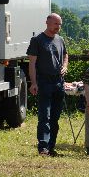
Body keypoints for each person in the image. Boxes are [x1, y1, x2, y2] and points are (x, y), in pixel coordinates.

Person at [27, 13, 69, 156]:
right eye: (56, 23)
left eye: (60, 24)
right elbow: (32, 63)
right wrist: (33, 83)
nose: (58, 27)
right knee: (45, 116)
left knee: (55, 118)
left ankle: (51, 147)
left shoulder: (60, 40)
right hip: (44, 82)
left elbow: (65, 56)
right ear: (47, 22)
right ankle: (43, 147)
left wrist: (65, 66)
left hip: (58, 82)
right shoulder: (37, 40)